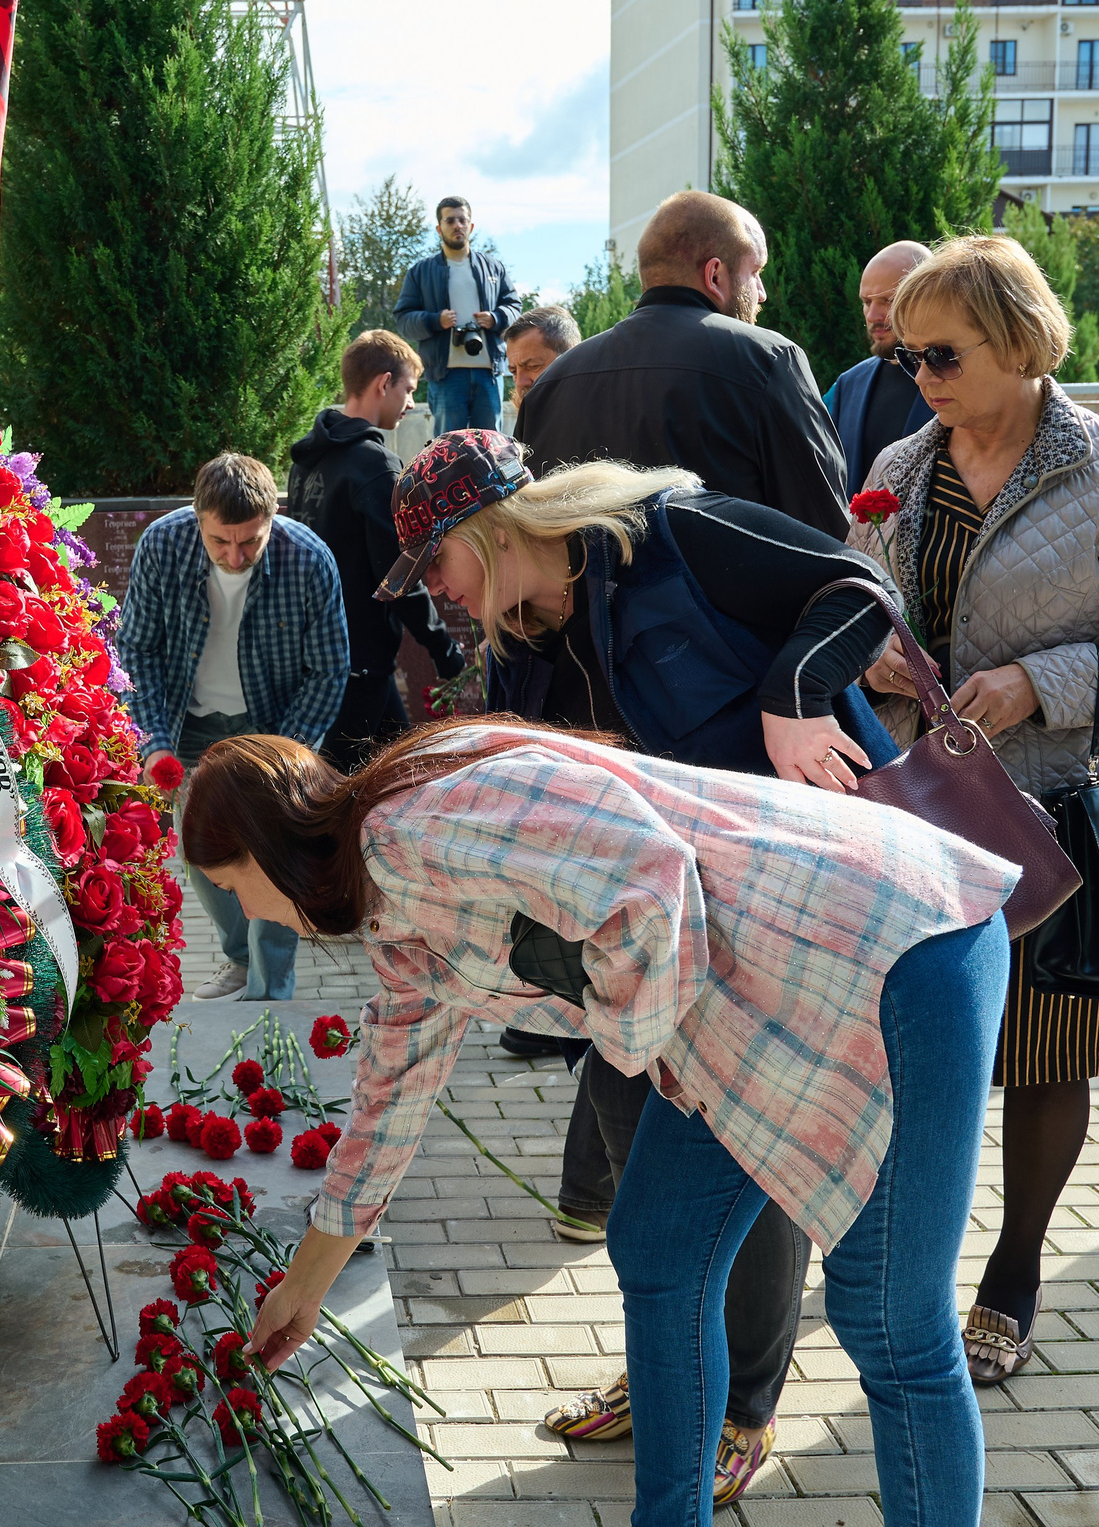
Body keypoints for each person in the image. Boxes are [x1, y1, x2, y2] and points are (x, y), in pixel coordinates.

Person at [182, 722, 1017, 1527]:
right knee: (658, 1249)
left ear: (261, 847)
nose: (245, 911)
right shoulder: (390, 898)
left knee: (892, 1323)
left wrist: (626, 1039)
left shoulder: (409, 830)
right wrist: (306, 1286)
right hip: (745, 1000)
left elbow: (652, 883)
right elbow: (390, 1096)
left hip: (894, 941)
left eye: (229, 887)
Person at [381, 428, 902, 1500]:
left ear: (480, 529)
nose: (429, 589)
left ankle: (741, 1407)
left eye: (433, 562)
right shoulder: (527, 644)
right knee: (629, 1136)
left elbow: (856, 589)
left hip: (791, 908)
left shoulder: (668, 531)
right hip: (661, 935)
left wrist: (791, 695)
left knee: (749, 1162)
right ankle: (672, 1370)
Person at [850, 235, 1099, 1386]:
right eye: (907, 354)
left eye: (942, 351)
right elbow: (847, 604)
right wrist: (874, 663)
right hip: (915, 808)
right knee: (906, 1047)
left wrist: (1032, 683)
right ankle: (901, 1265)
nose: (920, 374)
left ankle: (1013, 1271)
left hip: (1053, 805)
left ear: (1018, 338)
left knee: (1047, 1046)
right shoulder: (903, 462)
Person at [115, 453, 348, 1001]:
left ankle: (272, 992)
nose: (235, 555)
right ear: (197, 518)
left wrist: (285, 754)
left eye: (251, 541)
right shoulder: (161, 545)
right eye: (221, 541)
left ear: (274, 517)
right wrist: (153, 742)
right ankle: (239, 958)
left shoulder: (310, 560)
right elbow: (138, 650)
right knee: (202, 851)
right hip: (187, 723)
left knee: (274, 854)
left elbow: (330, 668)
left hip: (274, 723)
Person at [514, 190, 847, 537]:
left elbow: (530, 532)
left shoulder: (551, 384)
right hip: (735, 592)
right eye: (755, 271)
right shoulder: (768, 359)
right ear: (715, 275)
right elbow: (823, 529)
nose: (761, 292)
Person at [287, 331, 469, 771]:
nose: (410, 403)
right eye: (408, 389)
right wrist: (443, 647)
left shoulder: (305, 461)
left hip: (317, 651)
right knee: (344, 788)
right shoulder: (375, 466)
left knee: (396, 767)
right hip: (358, 660)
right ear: (383, 383)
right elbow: (397, 574)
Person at [393, 196, 520, 436]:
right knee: (446, 447)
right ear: (439, 228)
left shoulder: (494, 268)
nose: (457, 225)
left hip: (488, 373)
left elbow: (514, 306)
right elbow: (404, 320)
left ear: (471, 226)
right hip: (445, 375)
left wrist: (496, 318)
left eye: (462, 220)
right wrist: (434, 321)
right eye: (450, 220)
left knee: (492, 445)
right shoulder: (421, 272)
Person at [825, 241, 936, 491]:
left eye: (887, 300)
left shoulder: (957, 379)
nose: (873, 315)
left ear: (926, 298)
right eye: (866, 301)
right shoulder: (849, 386)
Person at [501, 304, 581, 438]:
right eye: (513, 371)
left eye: (533, 366)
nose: (520, 382)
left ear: (571, 358)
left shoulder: (599, 418)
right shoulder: (527, 422)